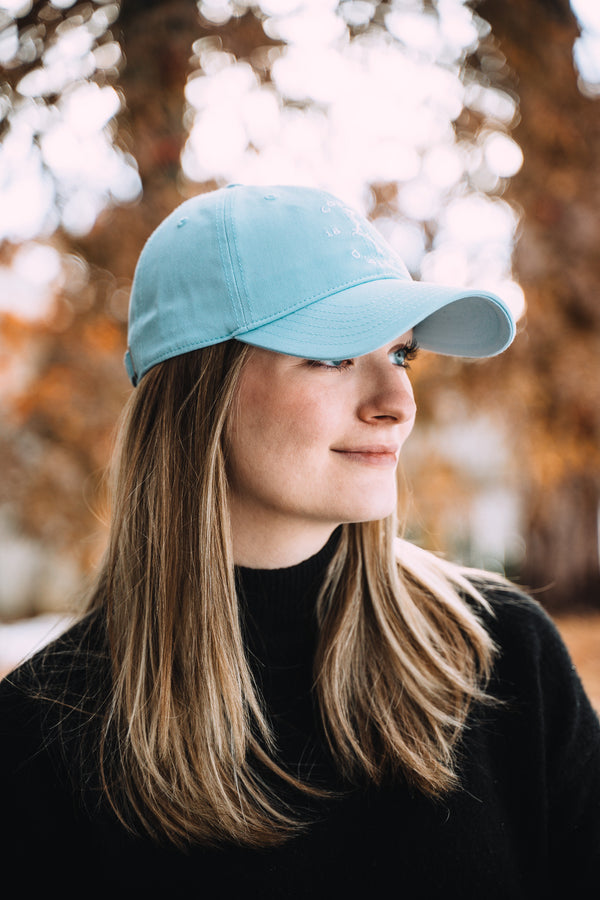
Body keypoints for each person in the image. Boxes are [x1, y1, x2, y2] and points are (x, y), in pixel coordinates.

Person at [1, 185, 599, 898]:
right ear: (201, 392)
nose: (397, 403)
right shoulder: (41, 738)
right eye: (335, 355)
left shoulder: (502, 655)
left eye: (401, 354)